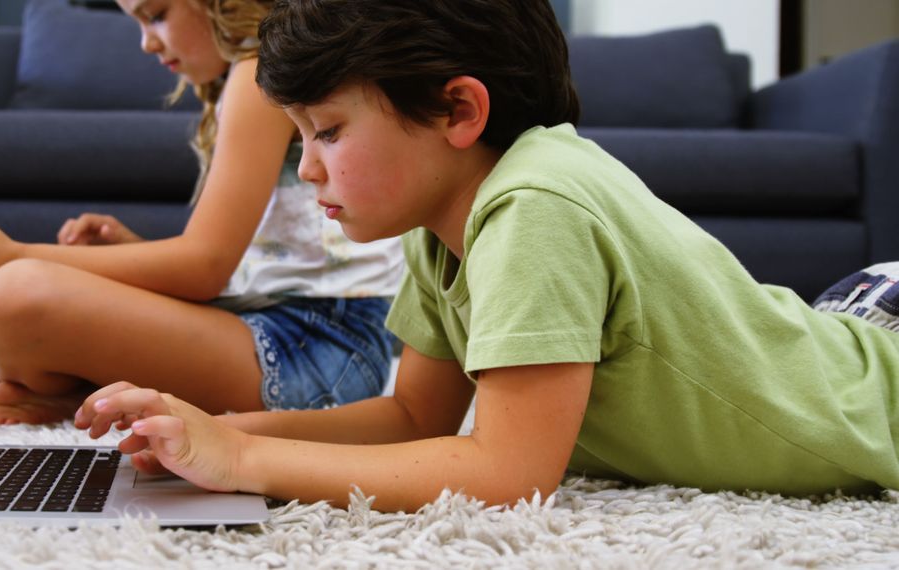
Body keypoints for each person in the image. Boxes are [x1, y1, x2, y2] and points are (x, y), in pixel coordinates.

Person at [74, 0, 899, 513]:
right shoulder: (441, 229)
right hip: (840, 323)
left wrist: (246, 458)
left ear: (459, 110)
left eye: (327, 131)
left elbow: (508, 473)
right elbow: (412, 421)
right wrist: (211, 432)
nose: (311, 167)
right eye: (300, 138)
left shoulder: (532, 203)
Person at [0, 0, 404, 425]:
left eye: (156, 15)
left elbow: (203, 267)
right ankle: (82, 392)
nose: (146, 43)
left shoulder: (258, 70)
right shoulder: (241, 78)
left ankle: (79, 388)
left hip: (319, 346)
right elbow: (239, 265)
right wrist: (133, 254)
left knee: (9, 298)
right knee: (13, 310)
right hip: (281, 327)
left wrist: (11, 254)